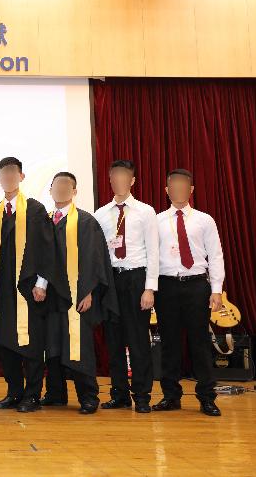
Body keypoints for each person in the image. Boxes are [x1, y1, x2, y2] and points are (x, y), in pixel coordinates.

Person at [39, 172, 118, 414]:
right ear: (50, 190)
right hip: (50, 295)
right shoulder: (44, 220)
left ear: (74, 192)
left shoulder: (85, 222)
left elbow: (94, 260)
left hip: (77, 295)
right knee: (51, 345)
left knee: (79, 346)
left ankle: (88, 396)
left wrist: (89, 292)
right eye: (57, 185)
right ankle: (55, 393)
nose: (61, 190)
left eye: (66, 186)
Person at [152, 169, 224, 417]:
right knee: (169, 344)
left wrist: (217, 290)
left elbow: (215, 256)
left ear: (191, 189)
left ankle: (207, 398)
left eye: (184, 185)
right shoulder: (157, 221)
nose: (179, 189)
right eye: (173, 185)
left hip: (196, 286)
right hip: (167, 286)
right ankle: (171, 396)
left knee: (200, 343)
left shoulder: (205, 220)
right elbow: (151, 257)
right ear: (167, 190)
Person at [0, 157, 56, 413]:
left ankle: (32, 394)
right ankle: (14, 391)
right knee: (6, 343)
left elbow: (47, 249)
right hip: (2, 289)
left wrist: (42, 283)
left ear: (21, 176)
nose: (8, 177)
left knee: (31, 344)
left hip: (29, 289)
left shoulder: (36, 210)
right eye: (3, 174)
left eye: (12, 173)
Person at [94, 159, 159, 413]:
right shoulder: (101, 213)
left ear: (132, 181)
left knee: (138, 341)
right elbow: (98, 253)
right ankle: (119, 393)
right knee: (114, 340)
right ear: (110, 180)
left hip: (136, 279)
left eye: (124, 177)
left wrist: (149, 288)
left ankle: (142, 396)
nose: (119, 181)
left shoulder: (145, 211)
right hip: (111, 280)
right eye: (114, 177)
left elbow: (153, 251)